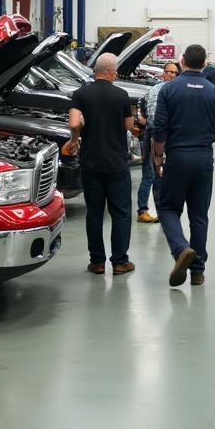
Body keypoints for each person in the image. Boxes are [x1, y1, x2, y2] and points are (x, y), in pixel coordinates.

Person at [152, 44, 215, 288]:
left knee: (167, 207)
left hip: (177, 157)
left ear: (182, 60)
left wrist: (158, 158)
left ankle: (181, 249)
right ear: (205, 63)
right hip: (204, 159)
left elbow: (159, 129)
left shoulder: (169, 89)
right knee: (199, 216)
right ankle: (197, 271)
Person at [68, 53, 135, 275]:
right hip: (116, 163)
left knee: (94, 213)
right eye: (115, 71)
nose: (116, 74)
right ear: (109, 71)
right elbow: (129, 126)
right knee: (121, 213)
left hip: (91, 163)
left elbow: (74, 122)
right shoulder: (122, 95)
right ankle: (119, 262)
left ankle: (97, 262)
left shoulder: (80, 94)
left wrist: (74, 140)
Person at [135, 61, 179, 223]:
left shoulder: (172, 90)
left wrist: (142, 120)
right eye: (168, 71)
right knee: (150, 174)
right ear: (163, 73)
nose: (170, 74)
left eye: (174, 72)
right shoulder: (156, 90)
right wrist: (145, 122)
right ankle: (143, 210)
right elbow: (145, 110)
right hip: (156, 136)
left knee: (161, 175)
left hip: (162, 136)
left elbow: (141, 108)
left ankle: (161, 211)